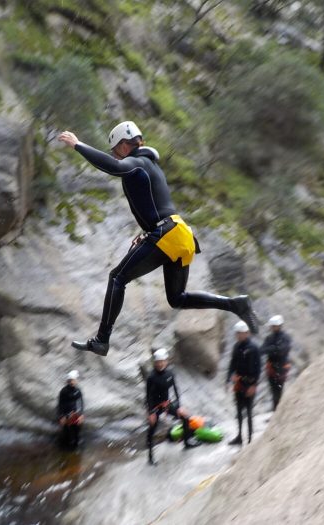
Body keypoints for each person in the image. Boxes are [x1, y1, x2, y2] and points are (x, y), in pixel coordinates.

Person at [57, 122, 259, 357]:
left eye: (115, 149)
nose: (114, 154)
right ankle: (234, 304)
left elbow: (113, 167)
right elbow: (155, 204)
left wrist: (78, 145)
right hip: (181, 233)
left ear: (124, 145)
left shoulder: (138, 162)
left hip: (167, 233)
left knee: (117, 278)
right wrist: (147, 232)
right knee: (177, 298)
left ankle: (102, 340)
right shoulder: (150, 166)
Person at [146, 348, 200, 465]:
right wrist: (151, 413)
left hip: (166, 403)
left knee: (185, 418)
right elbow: (148, 396)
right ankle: (150, 457)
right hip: (155, 406)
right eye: (158, 362)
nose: (160, 364)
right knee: (152, 429)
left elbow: (175, 390)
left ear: (166, 361)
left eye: (162, 361)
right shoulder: (151, 377)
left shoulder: (170, 374)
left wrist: (179, 406)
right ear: (154, 363)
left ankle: (186, 443)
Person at [226, 321, 260, 446]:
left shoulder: (254, 348)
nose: (239, 336)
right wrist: (228, 379)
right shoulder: (236, 347)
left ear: (247, 333)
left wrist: (254, 385)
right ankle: (240, 436)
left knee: (249, 411)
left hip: (249, 383)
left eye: (241, 333)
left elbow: (258, 369)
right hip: (239, 382)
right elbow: (232, 364)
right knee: (239, 411)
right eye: (237, 334)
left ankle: (250, 438)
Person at [260, 315, 291, 411]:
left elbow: (282, 351)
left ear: (279, 326)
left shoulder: (285, 337)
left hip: (281, 368)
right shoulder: (269, 338)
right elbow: (262, 350)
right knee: (274, 392)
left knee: (278, 392)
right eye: (271, 326)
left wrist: (272, 349)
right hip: (272, 369)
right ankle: (275, 412)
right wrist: (274, 349)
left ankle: (278, 412)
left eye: (274, 326)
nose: (272, 328)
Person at [57, 370, 84, 449]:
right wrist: (61, 416)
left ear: (76, 381)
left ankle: (76, 447)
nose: (72, 382)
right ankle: (67, 448)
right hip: (66, 414)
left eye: (74, 380)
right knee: (67, 433)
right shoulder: (64, 391)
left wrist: (81, 414)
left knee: (77, 431)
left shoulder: (78, 391)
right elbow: (60, 404)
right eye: (70, 380)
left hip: (76, 414)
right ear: (67, 381)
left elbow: (81, 403)